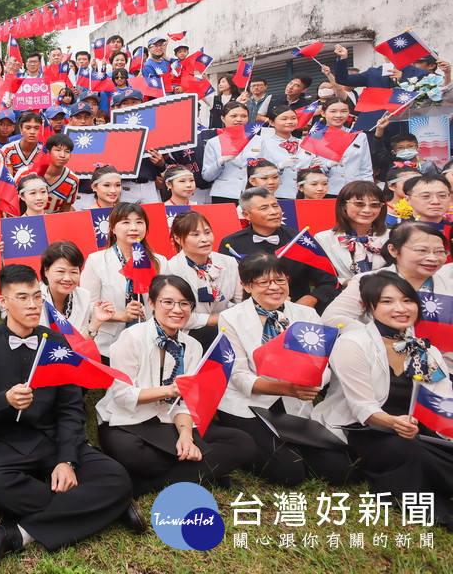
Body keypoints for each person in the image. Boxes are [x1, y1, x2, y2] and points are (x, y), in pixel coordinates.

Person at [0, 264, 139, 566]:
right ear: (3, 302)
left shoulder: (55, 341)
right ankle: (106, 506)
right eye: (22, 298)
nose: (32, 305)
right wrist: (3, 400)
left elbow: (70, 408)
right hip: (5, 442)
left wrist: (66, 459)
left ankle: (20, 531)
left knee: (118, 477)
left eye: (36, 297)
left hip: (53, 436)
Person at [311, 271, 453, 529]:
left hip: (412, 428)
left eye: (407, 301)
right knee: (412, 452)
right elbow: (362, 407)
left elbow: (443, 399)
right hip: (362, 428)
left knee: (426, 447)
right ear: (368, 307)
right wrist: (394, 422)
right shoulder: (354, 343)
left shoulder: (425, 349)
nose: (400, 308)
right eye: (387, 302)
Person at [96, 274, 255, 495]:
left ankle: (149, 484)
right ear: (151, 303)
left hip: (170, 422)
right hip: (129, 421)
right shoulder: (131, 338)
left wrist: (187, 436)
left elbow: (184, 404)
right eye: (168, 302)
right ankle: (203, 472)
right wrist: (170, 390)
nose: (177, 310)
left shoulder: (192, 346)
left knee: (242, 442)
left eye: (184, 304)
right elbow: (122, 395)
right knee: (136, 455)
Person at [212, 253, 354, 485]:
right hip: (249, 404)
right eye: (264, 282)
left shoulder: (306, 314)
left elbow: (323, 363)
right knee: (290, 472)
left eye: (280, 280)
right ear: (247, 286)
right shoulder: (230, 317)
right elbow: (238, 376)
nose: (274, 287)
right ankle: (236, 435)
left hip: (294, 403)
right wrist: (287, 388)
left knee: (340, 470)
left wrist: (314, 383)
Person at [322, 223, 453, 341]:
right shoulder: (368, 281)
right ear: (393, 250)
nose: (432, 258)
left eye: (439, 252)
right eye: (421, 250)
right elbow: (332, 318)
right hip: (384, 357)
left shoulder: (448, 284)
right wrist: (380, 336)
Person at [220, 187, 339, 310]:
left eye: (275, 206)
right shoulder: (231, 244)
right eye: (264, 208)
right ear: (246, 215)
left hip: (297, 309)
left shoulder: (300, 240)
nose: (273, 212)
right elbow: (224, 286)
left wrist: (311, 299)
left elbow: (329, 281)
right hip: (249, 311)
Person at [80, 203, 167, 358]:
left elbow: (167, 301)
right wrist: (122, 316)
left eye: (139, 222)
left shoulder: (160, 261)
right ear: (113, 228)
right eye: (126, 222)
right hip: (108, 345)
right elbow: (88, 306)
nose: (133, 228)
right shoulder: (97, 260)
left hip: (150, 342)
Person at [163, 212, 240, 345]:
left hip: (229, 330)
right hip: (187, 334)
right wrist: (218, 319)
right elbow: (173, 314)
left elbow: (241, 302)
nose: (205, 239)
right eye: (195, 235)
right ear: (178, 239)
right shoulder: (170, 269)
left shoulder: (229, 262)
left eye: (207, 232)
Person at [315, 181, 389, 285]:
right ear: (344, 205)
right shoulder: (323, 238)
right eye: (359, 204)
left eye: (374, 205)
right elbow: (320, 277)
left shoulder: (392, 237)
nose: (367, 210)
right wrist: (347, 283)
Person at [39, 241, 115, 339]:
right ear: (46, 271)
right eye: (61, 271)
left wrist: (96, 323)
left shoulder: (83, 297)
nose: (67, 278)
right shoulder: (33, 298)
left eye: (74, 272)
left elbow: (81, 345)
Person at [256, 105, 303, 198]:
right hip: (278, 193)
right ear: (272, 122)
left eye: (293, 118)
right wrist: (279, 167)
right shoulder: (264, 144)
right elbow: (259, 171)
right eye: (284, 119)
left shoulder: (304, 143)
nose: (289, 122)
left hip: (303, 194)